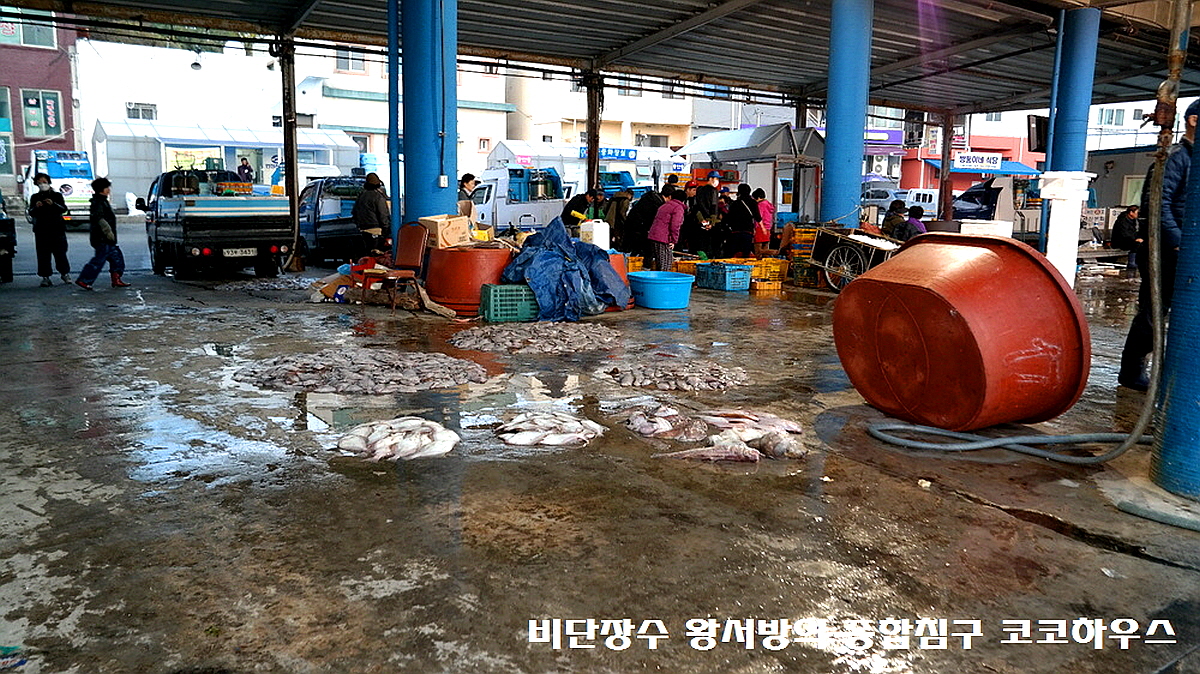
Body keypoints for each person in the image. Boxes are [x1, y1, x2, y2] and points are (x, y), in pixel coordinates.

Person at [1120, 98, 1200, 391]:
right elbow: (1156, 206)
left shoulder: (1193, 160)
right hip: (1167, 252)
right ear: (1193, 120)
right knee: (1154, 313)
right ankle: (1132, 372)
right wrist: (1179, 243)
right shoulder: (1176, 158)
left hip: (1187, 251)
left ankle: (1172, 373)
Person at [74, 177, 130, 290]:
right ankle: (84, 280)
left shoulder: (102, 201)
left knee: (116, 258)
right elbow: (100, 219)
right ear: (101, 189)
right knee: (99, 260)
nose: (108, 190)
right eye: (107, 187)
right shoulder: (98, 202)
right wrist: (108, 232)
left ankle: (116, 279)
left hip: (107, 238)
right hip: (102, 238)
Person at [27, 172, 71, 286]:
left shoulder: (57, 196)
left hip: (56, 228)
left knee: (60, 253)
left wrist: (53, 204)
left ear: (49, 182)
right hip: (41, 230)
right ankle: (45, 277)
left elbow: (63, 209)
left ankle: (65, 274)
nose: (42, 184)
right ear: (36, 184)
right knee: (43, 255)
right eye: (40, 182)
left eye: (44, 182)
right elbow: (30, 212)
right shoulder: (35, 197)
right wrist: (36, 207)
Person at [623, 187, 666, 265]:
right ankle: (642, 268)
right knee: (645, 251)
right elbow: (649, 219)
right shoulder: (656, 204)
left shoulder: (649, 199)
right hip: (639, 229)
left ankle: (632, 266)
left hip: (634, 228)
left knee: (635, 251)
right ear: (668, 197)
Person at [647, 186, 685, 271]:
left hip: (654, 236)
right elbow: (675, 226)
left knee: (659, 262)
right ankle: (663, 283)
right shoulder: (678, 208)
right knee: (666, 264)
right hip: (663, 238)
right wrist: (674, 240)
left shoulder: (665, 205)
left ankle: (657, 282)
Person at [352, 172, 390, 254]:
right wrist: (386, 228)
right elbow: (383, 214)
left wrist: (359, 225)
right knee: (377, 254)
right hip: (376, 229)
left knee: (368, 253)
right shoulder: (378, 197)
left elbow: (354, 212)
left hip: (363, 229)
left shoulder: (361, 196)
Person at [721, 184, 759, 258]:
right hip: (748, 231)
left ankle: (731, 267)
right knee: (746, 253)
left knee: (732, 252)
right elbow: (757, 217)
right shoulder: (753, 202)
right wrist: (762, 228)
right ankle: (745, 268)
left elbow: (729, 217)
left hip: (735, 232)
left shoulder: (735, 203)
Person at [690, 171, 721, 257]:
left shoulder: (699, 190)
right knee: (712, 247)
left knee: (701, 246)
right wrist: (712, 223)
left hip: (700, 222)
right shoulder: (714, 191)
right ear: (710, 179)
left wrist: (702, 220)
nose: (717, 181)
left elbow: (696, 207)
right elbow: (714, 206)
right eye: (716, 179)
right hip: (711, 223)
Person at [1110, 204, 1141, 273]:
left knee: (1141, 243)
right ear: (1131, 213)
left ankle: (1137, 261)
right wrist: (1135, 239)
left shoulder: (1133, 221)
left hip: (1127, 240)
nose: (1138, 215)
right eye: (1136, 213)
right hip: (1120, 241)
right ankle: (1132, 263)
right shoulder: (1122, 221)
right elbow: (1124, 234)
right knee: (1136, 244)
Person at [752, 187, 774, 258]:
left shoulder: (760, 205)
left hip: (760, 228)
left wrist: (754, 228)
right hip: (767, 229)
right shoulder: (768, 204)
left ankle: (759, 265)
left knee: (758, 250)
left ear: (758, 197)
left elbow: (758, 217)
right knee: (765, 249)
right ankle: (766, 265)